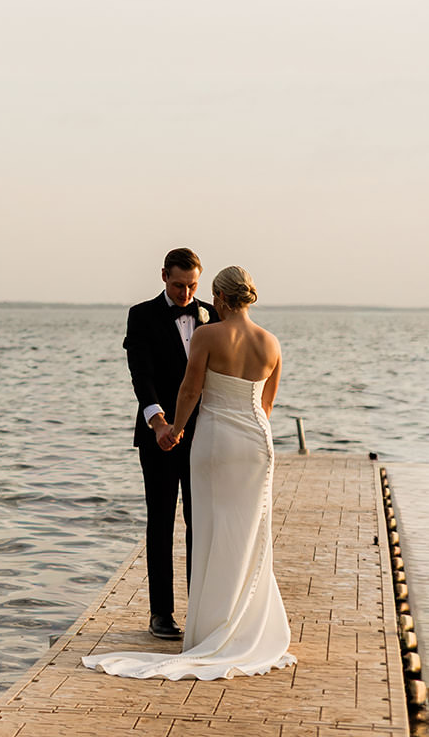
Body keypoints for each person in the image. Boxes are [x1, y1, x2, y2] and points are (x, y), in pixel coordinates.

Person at [83, 264, 296, 681]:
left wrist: (176, 428)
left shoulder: (207, 333)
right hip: (256, 443)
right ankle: (247, 624)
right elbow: (267, 405)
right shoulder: (271, 342)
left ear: (217, 297)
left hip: (214, 440)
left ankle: (210, 627)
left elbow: (190, 388)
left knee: (212, 529)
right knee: (249, 533)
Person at [120, 246, 219, 640]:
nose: (185, 294)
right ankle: (161, 614)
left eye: (192, 286)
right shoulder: (141, 316)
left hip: (205, 434)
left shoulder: (214, 313)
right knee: (160, 523)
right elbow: (140, 375)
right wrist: (159, 423)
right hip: (158, 436)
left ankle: (201, 611)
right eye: (178, 285)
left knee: (202, 522)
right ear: (163, 276)